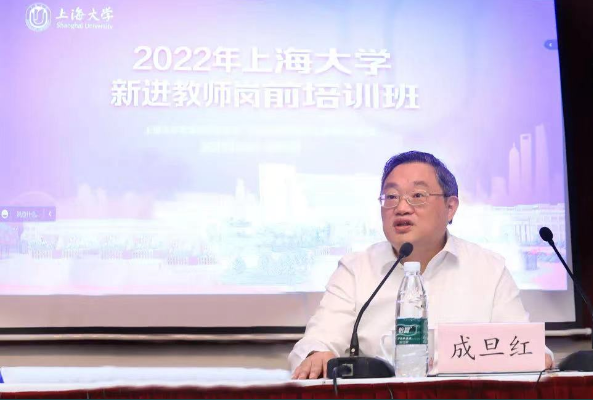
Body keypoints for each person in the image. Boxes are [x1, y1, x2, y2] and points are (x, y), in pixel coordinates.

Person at [289, 151, 553, 379]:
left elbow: (528, 348)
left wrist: (535, 357)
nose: (401, 207)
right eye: (391, 196)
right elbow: (318, 340)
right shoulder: (356, 269)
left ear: (450, 207)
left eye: (417, 195)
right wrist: (316, 354)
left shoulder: (489, 269)